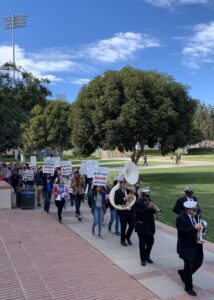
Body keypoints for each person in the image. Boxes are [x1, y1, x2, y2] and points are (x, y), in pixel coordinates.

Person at [176, 200, 204, 297]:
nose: (196, 210)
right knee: (189, 266)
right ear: (188, 210)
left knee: (199, 262)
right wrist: (194, 227)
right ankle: (188, 287)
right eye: (194, 209)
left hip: (197, 245)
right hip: (186, 247)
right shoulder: (180, 218)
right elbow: (182, 232)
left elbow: (201, 224)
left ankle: (183, 273)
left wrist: (202, 227)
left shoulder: (196, 215)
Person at [135, 188, 156, 266]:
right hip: (141, 226)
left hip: (150, 225)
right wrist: (147, 208)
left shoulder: (149, 201)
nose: (148, 196)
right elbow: (139, 214)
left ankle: (147, 256)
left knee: (151, 242)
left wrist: (153, 207)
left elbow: (153, 212)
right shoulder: (138, 202)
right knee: (142, 244)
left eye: (148, 195)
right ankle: (143, 259)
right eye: (146, 195)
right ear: (142, 195)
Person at [114, 178, 135, 246]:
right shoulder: (117, 191)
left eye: (125, 183)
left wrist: (134, 192)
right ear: (120, 184)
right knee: (123, 227)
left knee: (132, 225)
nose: (124, 184)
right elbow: (116, 202)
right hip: (122, 212)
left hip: (129, 211)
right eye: (123, 183)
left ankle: (127, 237)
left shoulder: (128, 190)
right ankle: (122, 240)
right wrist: (124, 198)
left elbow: (134, 197)